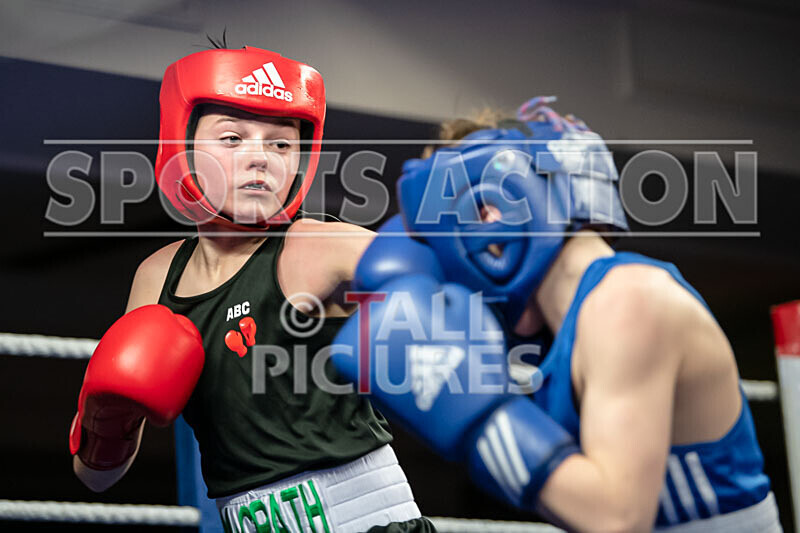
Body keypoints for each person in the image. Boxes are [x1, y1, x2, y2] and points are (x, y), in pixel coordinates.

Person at [331, 97, 781, 531]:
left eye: (441, 229)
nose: (448, 272)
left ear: (487, 211)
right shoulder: (575, 326)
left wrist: (476, 418)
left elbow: (616, 519)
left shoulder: (627, 301)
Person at [69, 45, 436, 533]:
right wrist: (105, 419)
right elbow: (95, 480)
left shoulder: (317, 247)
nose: (259, 157)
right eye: (232, 138)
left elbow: (436, 279)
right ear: (183, 144)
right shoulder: (158, 278)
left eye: (281, 144)